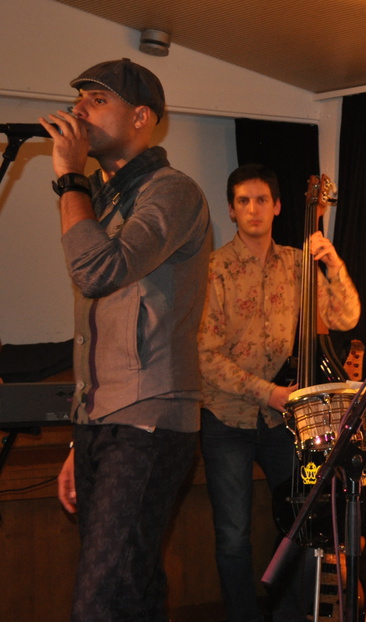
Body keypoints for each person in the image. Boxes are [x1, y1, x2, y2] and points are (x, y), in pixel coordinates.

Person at [43, 59, 212, 621]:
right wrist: (79, 440)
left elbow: (98, 271)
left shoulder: (174, 192)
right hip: (100, 420)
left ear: (141, 117)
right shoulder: (101, 196)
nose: (79, 110)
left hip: (149, 420)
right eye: (79, 99)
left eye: (97, 100)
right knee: (133, 590)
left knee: (101, 601)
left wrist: (69, 179)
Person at [197, 163, 360, 622]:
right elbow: (205, 355)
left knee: (298, 521)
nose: (253, 209)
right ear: (231, 210)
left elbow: (346, 317)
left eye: (261, 200)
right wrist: (267, 392)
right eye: (243, 201)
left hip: (281, 420)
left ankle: (288, 615)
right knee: (233, 535)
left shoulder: (297, 263)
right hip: (227, 418)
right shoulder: (214, 269)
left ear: (277, 207)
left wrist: (332, 262)